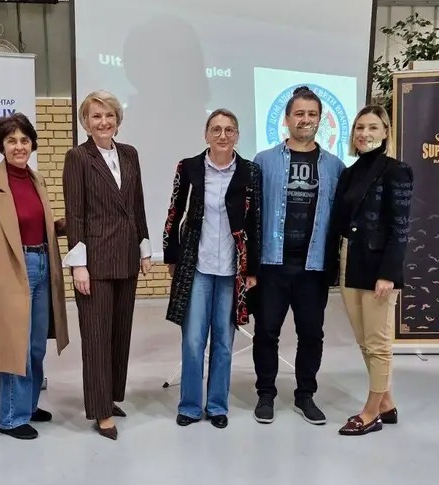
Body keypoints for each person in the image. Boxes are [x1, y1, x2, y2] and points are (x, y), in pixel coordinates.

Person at [251, 85, 344, 425]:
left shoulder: (335, 166)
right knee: (266, 333)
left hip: (313, 267)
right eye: (299, 113)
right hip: (272, 264)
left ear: (320, 119)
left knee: (311, 334)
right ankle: (265, 394)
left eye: (312, 114)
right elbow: (252, 215)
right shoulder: (263, 161)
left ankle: (305, 395)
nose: (306, 119)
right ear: (287, 119)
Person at [0, 114, 69, 440]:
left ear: (32, 144)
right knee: (18, 347)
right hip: (12, 269)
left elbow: (37, 224)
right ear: (1, 145)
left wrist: (67, 225)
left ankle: (28, 405)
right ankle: (11, 417)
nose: (18, 146)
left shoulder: (37, 180)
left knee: (37, 345)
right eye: (11, 140)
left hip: (42, 263)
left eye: (24, 140)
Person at [163, 108, 262, 428]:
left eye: (229, 130)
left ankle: (218, 406)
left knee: (223, 340)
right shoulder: (189, 167)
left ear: (237, 136)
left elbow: (255, 221)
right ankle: (190, 406)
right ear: (206, 134)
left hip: (232, 270)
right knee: (193, 340)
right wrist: (171, 257)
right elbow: (174, 211)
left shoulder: (250, 171)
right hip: (198, 267)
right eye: (216, 129)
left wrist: (252, 268)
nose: (222, 135)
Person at [62, 90, 152, 440]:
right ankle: (100, 412)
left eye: (109, 115)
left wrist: (144, 248)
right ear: (85, 122)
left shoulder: (130, 153)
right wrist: (78, 265)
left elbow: (137, 203)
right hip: (95, 262)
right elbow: (75, 214)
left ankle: (111, 397)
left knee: (119, 334)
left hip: (126, 256)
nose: (104, 121)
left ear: (118, 119)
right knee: (97, 338)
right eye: (96, 116)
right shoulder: (78, 157)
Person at [326, 105, 413, 436]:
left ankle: (371, 412)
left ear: (386, 132)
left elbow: (400, 227)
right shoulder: (350, 172)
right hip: (350, 259)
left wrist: (388, 273)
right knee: (364, 340)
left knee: (378, 341)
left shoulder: (397, 171)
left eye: (373, 127)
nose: (364, 133)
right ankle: (386, 403)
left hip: (378, 266)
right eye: (360, 127)